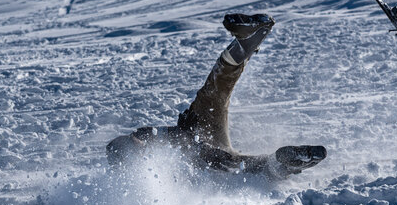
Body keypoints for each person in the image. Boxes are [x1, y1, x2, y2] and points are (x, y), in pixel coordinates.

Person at [106, 14, 326, 180]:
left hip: (201, 134)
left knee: (213, 92)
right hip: (212, 161)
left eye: (135, 144)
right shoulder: (146, 181)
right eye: (135, 149)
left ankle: (246, 41)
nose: (140, 146)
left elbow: (170, 136)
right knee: (232, 165)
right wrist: (202, 151)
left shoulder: (145, 137)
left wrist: (186, 131)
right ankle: (281, 164)